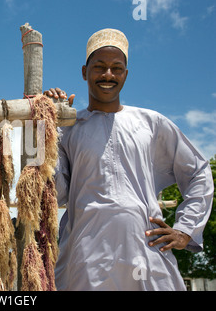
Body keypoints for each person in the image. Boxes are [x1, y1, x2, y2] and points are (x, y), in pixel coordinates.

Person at [44, 28, 214, 291]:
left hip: (146, 249)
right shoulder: (69, 127)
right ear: (84, 72)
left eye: (117, 68)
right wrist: (48, 127)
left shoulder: (151, 122)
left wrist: (185, 230)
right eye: (99, 67)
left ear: (126, 74)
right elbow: (58, 193)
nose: (108, 75)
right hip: (85, 257)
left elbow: (198, 172)